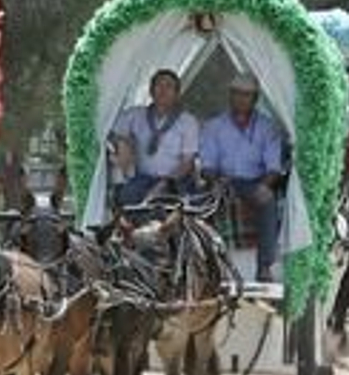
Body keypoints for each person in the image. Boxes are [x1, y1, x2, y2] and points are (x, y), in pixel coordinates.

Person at [199, 72, 285, 281]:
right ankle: (207, 265)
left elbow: (273, 167)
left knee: (267, 201)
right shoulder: (214, 126)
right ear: (230, 96)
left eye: (246, 95)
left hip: (255, 181)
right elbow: (207, 165)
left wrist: (264, 186)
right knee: (196, 202)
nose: (240, 99)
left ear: (255, 99)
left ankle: (264, 266)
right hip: (224, 179)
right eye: (236, 94)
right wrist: (215, 181)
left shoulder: (267, 127)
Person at [108, 69, 200, 207]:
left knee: (169, 206)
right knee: (125, 197)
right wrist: (122, 147)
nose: (163, 90)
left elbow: (187, 162)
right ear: (151, 91)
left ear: (177, 94)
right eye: (159, 85)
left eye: (169, 86)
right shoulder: (135, 115)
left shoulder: (187, 122)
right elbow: (111, 133)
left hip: (175, 180)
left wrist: (167, 182)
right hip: (143, 178)